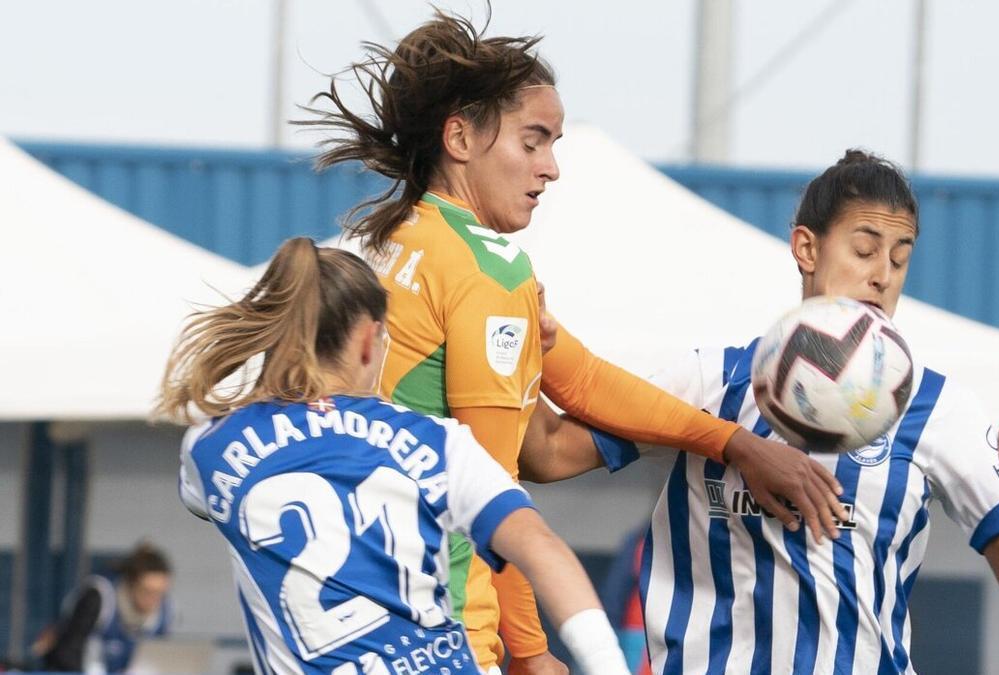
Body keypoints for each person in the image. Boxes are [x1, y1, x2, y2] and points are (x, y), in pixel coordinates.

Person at [302, 9, 844, 674]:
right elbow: (498, 491)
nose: (551, 168)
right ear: (460, 137)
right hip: (438, 627)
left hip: (345, 613)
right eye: (533, 141)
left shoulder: (390, 242)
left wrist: (732, 441)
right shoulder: (486, 270)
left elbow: (581, 387)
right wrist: (530, 652)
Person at [517, 150, 999, 674]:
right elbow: (547, 453)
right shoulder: (712, 382)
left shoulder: (935, 407)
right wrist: (514, 332)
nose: (883, 274)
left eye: (900, 258)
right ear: (806, 249)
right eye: (864, 249)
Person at [157, 238, 630, 675]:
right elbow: (541, 549)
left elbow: (215, 491)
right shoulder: (440, 442)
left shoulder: (210, 449)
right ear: (369, 338)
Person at [39, 543, 172, 673]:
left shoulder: (164, 610)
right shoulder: (99, 597)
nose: (153, 600)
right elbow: (68, 653)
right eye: (147, 592)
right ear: (130, 584)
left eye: (160, 593)